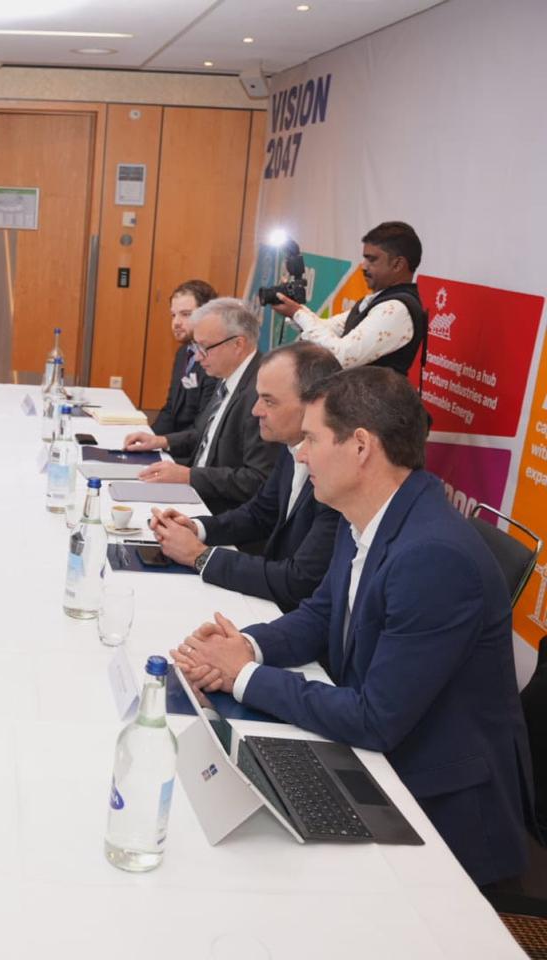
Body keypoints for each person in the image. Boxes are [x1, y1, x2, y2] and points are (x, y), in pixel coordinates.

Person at [171, 366, 532, 887]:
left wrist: (243, 676)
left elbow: (374, 719)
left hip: (438, 813)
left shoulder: (434, 556)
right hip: (381, 763)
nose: (300, 454)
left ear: (360, 446)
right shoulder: (365, 513)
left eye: (312, 439)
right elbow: (323, 614)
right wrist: (246, 646)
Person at [148, 342, 342, 612]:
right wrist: (198, 528)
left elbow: (299, 581)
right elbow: (260, 513)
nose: (255, 411)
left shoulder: (337, 473)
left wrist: (199, 556)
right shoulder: (290, 447)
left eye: (269, 401)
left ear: (315, 405)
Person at [123, 297, 282, 514]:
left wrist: (190, 476)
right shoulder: (228, 375)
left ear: (238, 344)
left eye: (205, 348)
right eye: (196, 346)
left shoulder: (261, 392)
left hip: (221, 511)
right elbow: (205, 434)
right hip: (196, 491)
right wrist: (162, 441)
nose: (197, 357)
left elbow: (257, 479)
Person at [272, 221, 427, 376]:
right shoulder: (379, 301)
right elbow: (328, 328)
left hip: (371, 393)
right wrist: (294, 309)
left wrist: (297, 312)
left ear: (397, 264)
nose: (363, 266)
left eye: (372, 260)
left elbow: (340, 357)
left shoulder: (396, 309)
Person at [150, 279, 220, 436]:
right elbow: (171, 410)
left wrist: (164, 442)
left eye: (186, 314)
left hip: (193, 445)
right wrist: (149, 438)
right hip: (175, 441)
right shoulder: (183, 353)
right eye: (173, 315)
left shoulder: (216, 360)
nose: (176, 322)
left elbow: (203, 427)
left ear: (208, 315)